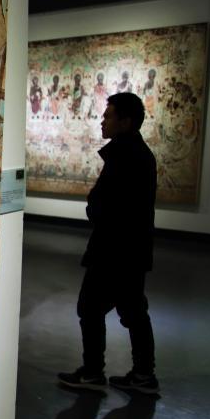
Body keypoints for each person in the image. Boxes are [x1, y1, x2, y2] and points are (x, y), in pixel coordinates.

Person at [58, 92, 158, 394]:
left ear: (125, 121)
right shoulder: (135, 153)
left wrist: (95, 207)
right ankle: (143, 375)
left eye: (108, 115)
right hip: (129, 250)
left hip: (115, 251)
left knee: (91, 308)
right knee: (133, 311)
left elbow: (110, 206)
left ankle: (93, 372)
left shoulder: (127, 157)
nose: (103, 121)